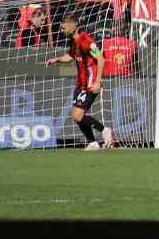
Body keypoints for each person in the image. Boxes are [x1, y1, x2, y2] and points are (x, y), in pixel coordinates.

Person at [46, 15, 114, 149]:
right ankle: (93, 142)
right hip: (80, 83)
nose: (62, 29)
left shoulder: (86, 40)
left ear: (74, 26)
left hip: (90, 82)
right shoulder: (74, 41)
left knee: (77, 115)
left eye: (64, 27)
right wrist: (57, 59)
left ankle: (105, 130)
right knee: (77, 115)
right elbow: (70, 55)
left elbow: (100, 59)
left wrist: (98, 81)